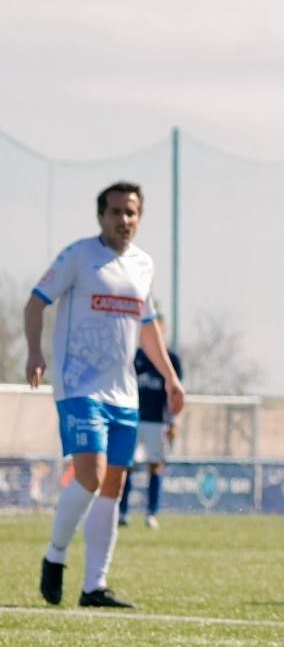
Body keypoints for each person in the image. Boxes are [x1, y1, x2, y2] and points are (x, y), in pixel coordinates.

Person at [25, 182, 185, 609]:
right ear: (101, 216)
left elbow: (147, 328)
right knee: (91, 475)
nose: (123, 220)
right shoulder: (79, 256)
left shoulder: (143, 265)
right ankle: (55, 556)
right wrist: (35, 351)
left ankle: (95, 585)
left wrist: (171, 378)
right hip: (78, 385)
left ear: (139, 217)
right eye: (115, 212)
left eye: (131, 212)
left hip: (124, 394)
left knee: (114, 484)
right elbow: (36, 303)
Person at [119, 318, 183, 529]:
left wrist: (173, 421)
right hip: (134, 418)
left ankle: (151, 512)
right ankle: (122, 512)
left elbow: (174, 393)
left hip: (157, 421)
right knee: (126, 465)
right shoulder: (135, 356)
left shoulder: (171, 358)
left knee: (155, 465)